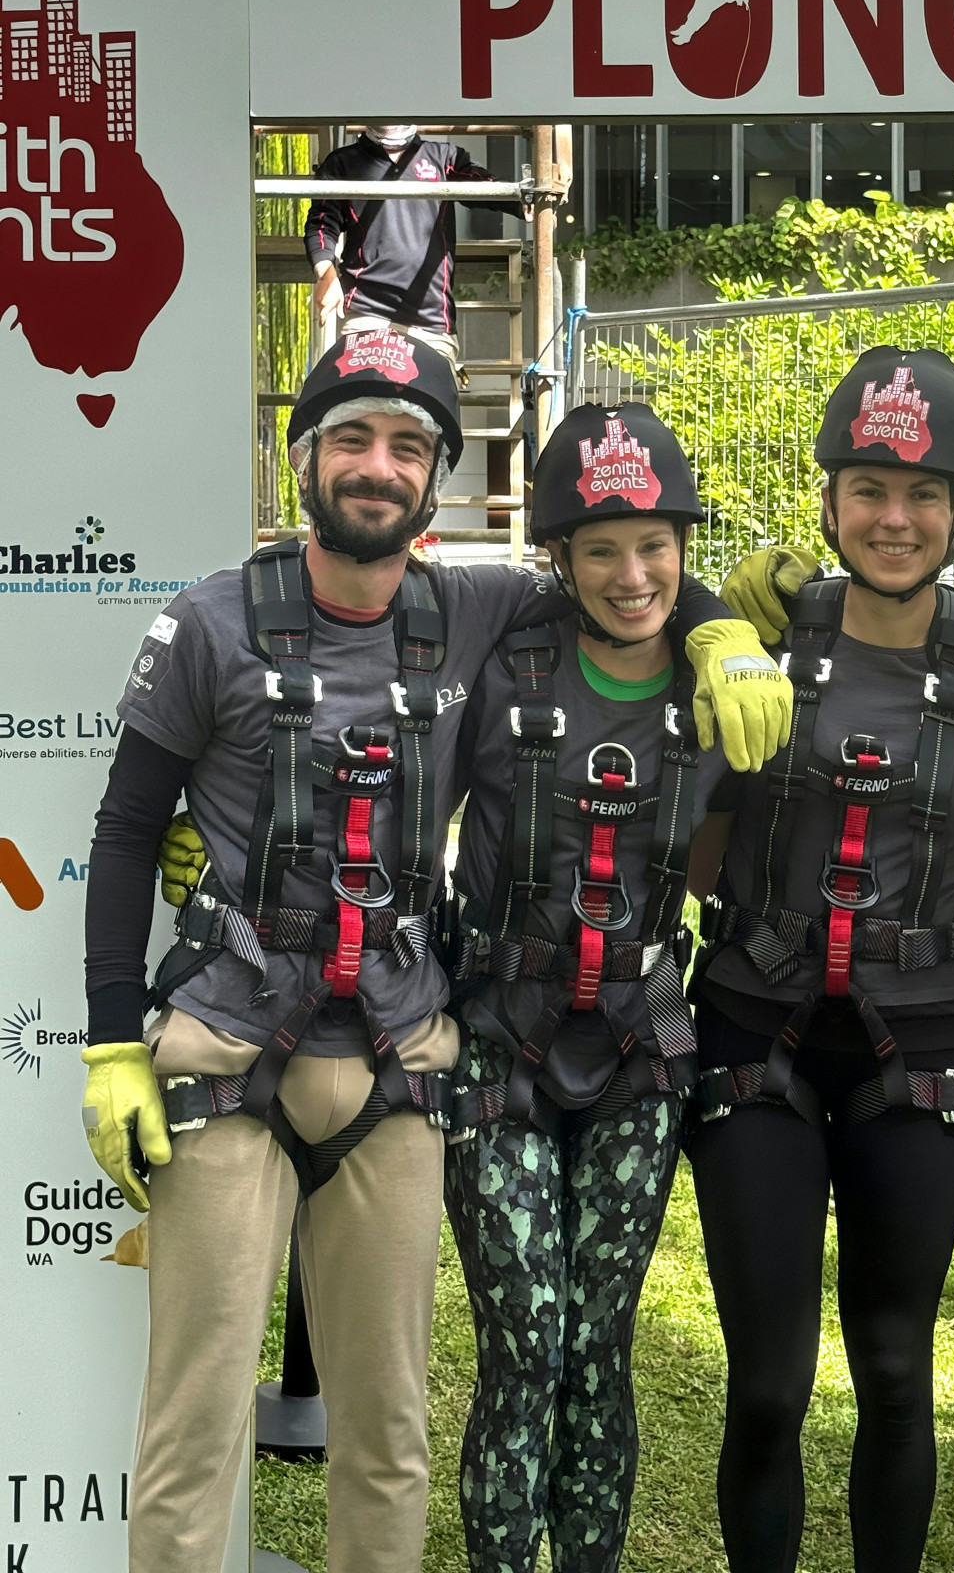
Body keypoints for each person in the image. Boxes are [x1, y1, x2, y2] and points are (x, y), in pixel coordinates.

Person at [79, 329, 790, 1573]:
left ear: (435, 477)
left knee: (392, 1426)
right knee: (193, 1422)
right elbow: (129, 826)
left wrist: (724, 630)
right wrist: (105, 1038)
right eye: (350, 435)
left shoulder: (478, 608)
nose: (377, 464)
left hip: (401, 1050)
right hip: (225, 1039)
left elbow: (630, 567)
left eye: (410, 444)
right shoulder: (208, 623)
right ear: (302, 454)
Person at [689, 347, 954, 1573]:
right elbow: (689, 838)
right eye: (870, 488)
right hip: (754, 1017)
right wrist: (706, 629)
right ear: (828, 497)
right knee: (773, 1381)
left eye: (926, 491)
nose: (897, 518)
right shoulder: (762, 626)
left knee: (896, 1367)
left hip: (925, 1031)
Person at [443, 400, 734, 1573]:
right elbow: (401, 784)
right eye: (600, 547)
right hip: (499, 1039)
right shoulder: (503, 659)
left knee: (599, 1343)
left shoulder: (725, 684)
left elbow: (741, 861)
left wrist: (726, 629)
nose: (632, 573)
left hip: (638, 1047)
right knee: (527, 1340)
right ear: (558, 556)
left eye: (655, 543)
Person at [304, 122, 493, 350]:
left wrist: (527, 203)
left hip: (431, 319)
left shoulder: (444, 157)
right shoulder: (343, 163)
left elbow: (488, 188)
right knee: (364, 386)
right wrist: (326, 271)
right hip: (365, 314)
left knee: (431, 386)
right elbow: (322, 223)